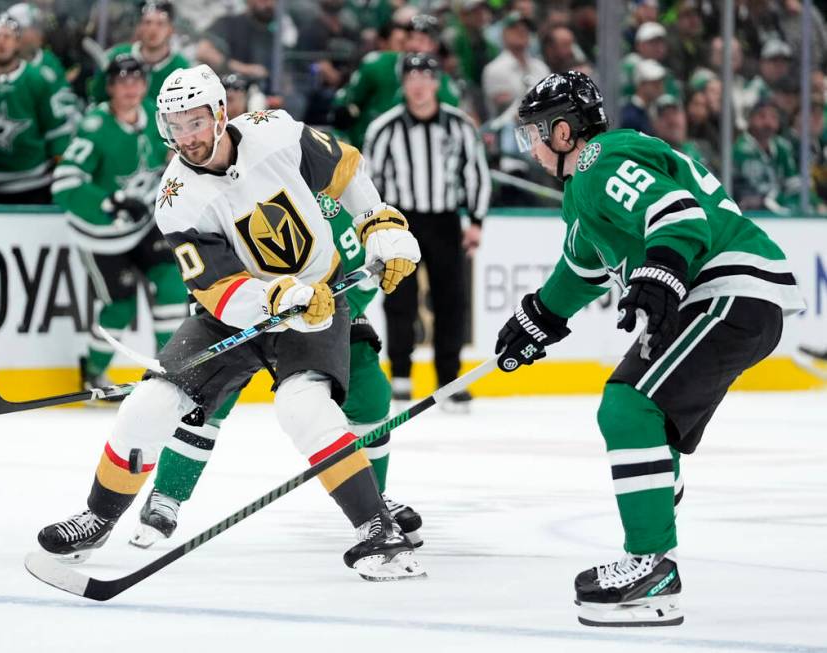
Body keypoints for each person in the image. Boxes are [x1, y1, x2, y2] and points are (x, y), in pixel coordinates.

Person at [37, 64, 424, 581]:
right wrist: (277, 296)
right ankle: (100, 516)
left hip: (320, 299)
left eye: (195, 122)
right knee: (151, 399)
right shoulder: (176, 199)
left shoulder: (275, 131)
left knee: (301, 406)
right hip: (235, 313)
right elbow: (217, 289)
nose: (187, 137)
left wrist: (378, 219)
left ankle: (379, 531)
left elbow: (345, 168)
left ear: (221, 113)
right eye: (175, 126)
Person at [497, 71, 804, 626]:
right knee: (646, 423)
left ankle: (651, 566)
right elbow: (582, 266)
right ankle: (655, 508)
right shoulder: (585, 190)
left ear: (564, 132)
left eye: (534, 134)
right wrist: (540, 315)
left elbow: (677, 211)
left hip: (725, 290)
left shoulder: (598, 163)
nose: (531, 147)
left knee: (627, 405)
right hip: (734, 298)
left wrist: (663, 267)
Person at [131, 149, 424, 552]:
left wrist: (331, 310)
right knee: (208, 395)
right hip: (247, 312)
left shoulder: (344, 206)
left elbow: (359, 280)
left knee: (369, 388)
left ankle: (375, 501)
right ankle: (167, 494)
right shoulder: (240, 191)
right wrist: (267, 303)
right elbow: (213, 273)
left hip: (321, 317)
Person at [52, 54, 189, 391]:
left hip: (142, 223)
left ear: (145, 85)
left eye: (136, 80)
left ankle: (169, 369)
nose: (130, 88)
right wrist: (108, 201)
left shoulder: (160, 121)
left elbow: (174, 160)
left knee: (172, 284)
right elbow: (64, 183)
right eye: (121, 81)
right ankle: (93, 371)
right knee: (121, 307)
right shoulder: (95, 127)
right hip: (102, 233)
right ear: (110, 88)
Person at [363, 53, 490, 412]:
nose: (418, 84)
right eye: (411, 77)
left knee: (451, 300)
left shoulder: (460, 125)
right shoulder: (384, 128)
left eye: (425, 76)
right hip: (402, 220)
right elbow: (370, 183)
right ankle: (401, 374)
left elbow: (476, 173)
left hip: (446, 220)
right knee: (399, 298)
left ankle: (449, 379)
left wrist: (476, 221)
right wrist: (376, 228)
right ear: (403, 84)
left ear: (437, 83)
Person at [0, 14, 72, 204]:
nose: (1, 43)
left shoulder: (38, 79)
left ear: (17, 42)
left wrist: (61, 167)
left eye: (7, 37)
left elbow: (55, 129)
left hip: (34, 182)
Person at [331, 14, 460, 149]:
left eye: (422, 40)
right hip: (364, 151)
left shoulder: (443, 85)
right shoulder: (377, 65)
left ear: (434, 46)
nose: (415, 45)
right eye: (410, 37)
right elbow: (344, 107)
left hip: (413, 153)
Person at [87, 1, 189, 105]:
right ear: (139, 27)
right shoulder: (116, 56)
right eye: (148, 22)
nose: (153, 29)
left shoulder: (182, 68)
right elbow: (96, 97)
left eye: (160, 23)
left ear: (170, 29)